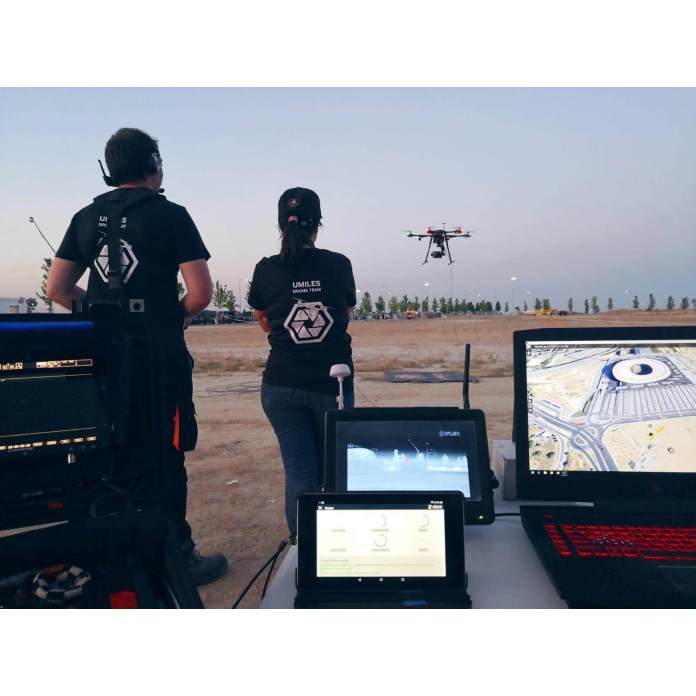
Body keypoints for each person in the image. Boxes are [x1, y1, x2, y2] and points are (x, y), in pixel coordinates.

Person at [46, 127, 228, 585]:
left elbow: (58, 289)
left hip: (104, 359)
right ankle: (176, 555)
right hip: (159, 357)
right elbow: (200, 293)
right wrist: (167, 319)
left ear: (110, 169)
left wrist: (102, 314)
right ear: (154, 165)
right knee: (167, 452)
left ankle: (119, 557)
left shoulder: (85, 217)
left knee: (111, 451)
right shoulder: (172, 215)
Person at [248, 187, 356, 537]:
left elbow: (263, 319)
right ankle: (334, 544)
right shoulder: (338, 264)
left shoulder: (265, 269)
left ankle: (301, 547)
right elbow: (345, 313)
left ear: (281, 225)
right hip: (332, 385)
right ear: (318, 224)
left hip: (279, 385)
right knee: (333, 471)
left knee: (299, 472)